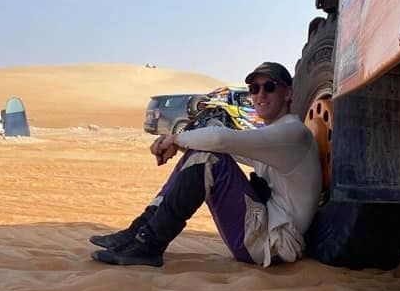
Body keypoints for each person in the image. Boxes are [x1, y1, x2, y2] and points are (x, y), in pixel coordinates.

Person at [90, 62, 322, 267]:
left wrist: (175, 139)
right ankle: (138, 231)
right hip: (261, 231)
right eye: (254, 88)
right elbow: (226, 148)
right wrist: (180, 146)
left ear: (288, 93)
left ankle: (149, 245)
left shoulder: (293, 134)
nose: (260, 94)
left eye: (269, 87)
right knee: (204, 153)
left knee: (207, 158)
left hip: (272, 245)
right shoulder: (279, 138)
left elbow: (221, 139)